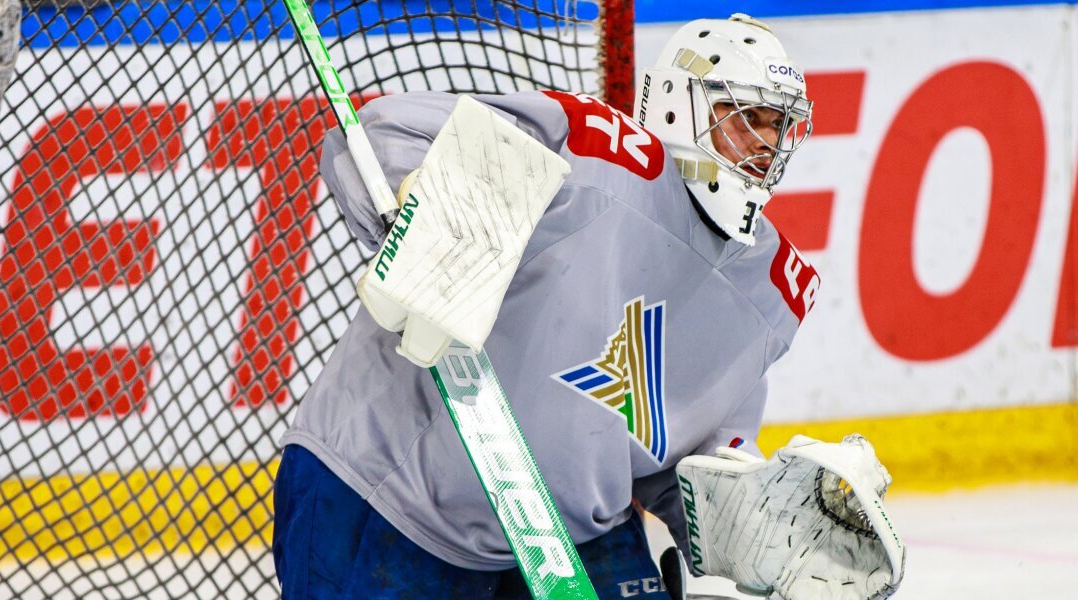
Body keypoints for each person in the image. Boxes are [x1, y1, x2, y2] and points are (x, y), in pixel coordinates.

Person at [273, 13, 848, 599]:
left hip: (568, 541)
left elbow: (688, 461)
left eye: (778, 125)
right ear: (682, 105)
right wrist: (421, 194)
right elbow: (383, 130)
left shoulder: (770, 287)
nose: (765, 144)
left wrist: (770, 533)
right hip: (386, 497)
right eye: (746, 118)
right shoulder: (590, 147)